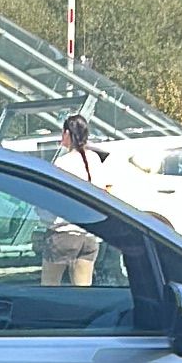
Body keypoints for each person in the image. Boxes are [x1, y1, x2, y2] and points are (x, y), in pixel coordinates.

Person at [48, 113, 106, 283]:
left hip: (63, 233)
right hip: (89, 234)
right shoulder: (95, 159)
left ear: (67, 134)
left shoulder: (62, 163)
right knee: (82, 291)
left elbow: (52, 199)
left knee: (49, 290)